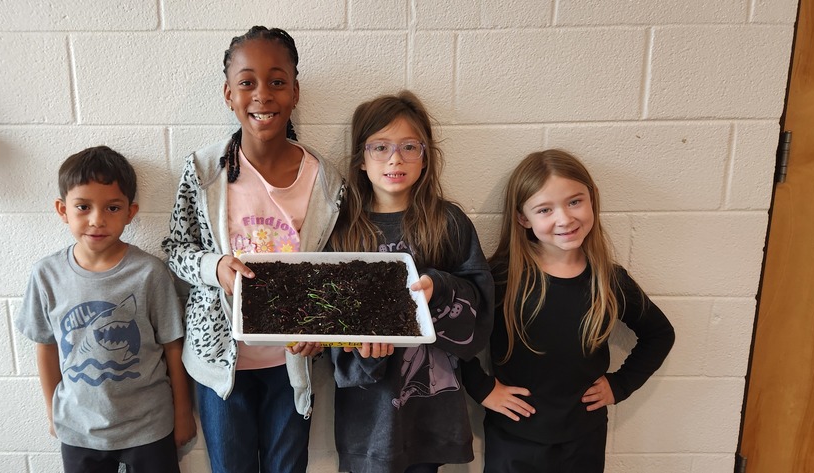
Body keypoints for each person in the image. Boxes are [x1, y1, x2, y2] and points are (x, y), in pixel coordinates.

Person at [161, 26, 345, 473]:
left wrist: (321, 329)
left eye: (277, 81)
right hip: (221, 364)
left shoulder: (325, 180)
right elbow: (174, 248)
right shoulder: (204, 169)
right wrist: (215, 266)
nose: (262, 95)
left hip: (293, 364)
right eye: (247, 82)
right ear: (229, 94)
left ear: (295, 91)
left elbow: (335, 269)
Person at [459, 149, 676, 473]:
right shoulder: (500, 278)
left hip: (583, 439)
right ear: (523, 218)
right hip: (514, 439)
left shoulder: (608, 280)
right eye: (545, 209)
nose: (565, 218)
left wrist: (620, 385)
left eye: (575, 201)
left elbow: (660, 334)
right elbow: (453, 339)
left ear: (592, 199)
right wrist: (482, 388)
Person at [326, 91, 493, 473]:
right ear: (361, 160)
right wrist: (358, 349)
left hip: (431, 417)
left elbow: (481, 306)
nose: (395, 159)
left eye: (409, 147)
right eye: (380, 147)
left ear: (426, 156)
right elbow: (329, 326)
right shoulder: (343, 232)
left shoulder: (448, 222)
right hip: (368, 420)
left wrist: (439, 288)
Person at [16, 146, 196, 472]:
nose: (97, 220)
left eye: (112, 207)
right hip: (79, 428)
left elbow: (173, 347)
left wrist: (183, 414)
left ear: (131, 211)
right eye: (83, 207)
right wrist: (51, 410)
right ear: (62, 209)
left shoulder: (150, 273)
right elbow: (45, 347)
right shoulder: (47, 274)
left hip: (149, 425)